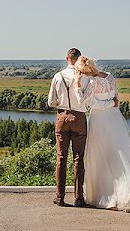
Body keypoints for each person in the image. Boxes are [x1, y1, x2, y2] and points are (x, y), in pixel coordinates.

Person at [75, 56, 130, 211]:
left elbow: (83, 101)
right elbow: (117, 99)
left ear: (83, 71)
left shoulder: (92, 82)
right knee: (120, 152)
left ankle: (107, 195)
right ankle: (126, 192)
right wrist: (112, 104)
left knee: (100, 156)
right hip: (114, 118)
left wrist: (77, 84)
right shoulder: (109, 76)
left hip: (99, 121)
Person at [47, 47, 91, 207]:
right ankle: (79, 198)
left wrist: (62, 103)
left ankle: (60, 197)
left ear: (67, 59)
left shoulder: (58, 76)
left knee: (61, 158)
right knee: (78, 158)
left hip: (62, 117)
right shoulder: (85, 78)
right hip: (79, 118)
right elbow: (86, 101)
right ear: (79, 59)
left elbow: (50, 102)